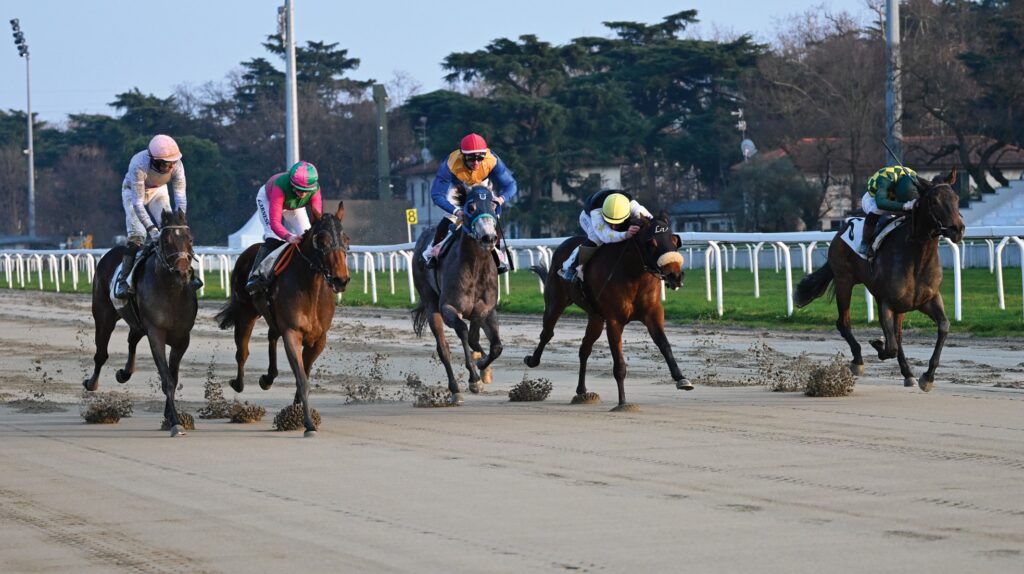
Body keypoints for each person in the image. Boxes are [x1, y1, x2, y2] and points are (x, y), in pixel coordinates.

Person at [114, 134, 200, 298]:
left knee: (174, 231)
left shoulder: (178, 166)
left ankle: (189, 272)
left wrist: (180, 222)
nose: (170, 168)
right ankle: (123, 281)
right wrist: (152, 229)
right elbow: (138, 204)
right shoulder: (139, 164)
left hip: (158, 192)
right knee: (138, 235)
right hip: (133, 194)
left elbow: (181, 198)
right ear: (153, 160)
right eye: (165, 164)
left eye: (172, 163)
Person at [423, 133, 517, 273]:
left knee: (491, 218)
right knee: (450, 218)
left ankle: (498, 254)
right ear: (462, 155)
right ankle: (432, 250)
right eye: (471, 158)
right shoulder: (451, 163)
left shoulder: (492, 160)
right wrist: (457, 211)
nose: (476, 162)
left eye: (480, 157)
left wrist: (501, 199)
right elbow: (437, 194)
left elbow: (511, 185)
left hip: (482, 187)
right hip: (459, 187)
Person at [245, 160, 322, 295]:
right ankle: (255, 276)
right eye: (299, 190)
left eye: (306, 191)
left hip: (293, 206)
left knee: (309, 237)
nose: (303, 194)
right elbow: (275, 223)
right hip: (269, 200)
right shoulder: (280, 186)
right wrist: (289, 237)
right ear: (292, 184)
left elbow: (317, 218)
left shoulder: (315, 189)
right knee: (273, 237)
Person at [558, 190, 653, 282]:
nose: (614, 226)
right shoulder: (597, 212)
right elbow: (605, 236)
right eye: (611, 222)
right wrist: (625, 234)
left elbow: (652, 222)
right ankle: (569, 267)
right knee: (596, 237)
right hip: (587, 217)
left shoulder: (633, 206)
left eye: (617, 223)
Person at [858, 165, 919, 257]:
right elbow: (880, 203)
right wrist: (904, 206)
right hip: (874, 198)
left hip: (895, 198)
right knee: (876, 210)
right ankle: (865, 243)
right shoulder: (884, 180)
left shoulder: (914, 179)